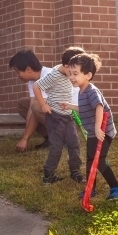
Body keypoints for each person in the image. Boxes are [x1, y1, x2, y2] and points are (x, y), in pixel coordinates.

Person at [60, 53, 118, 200]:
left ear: (88, 75)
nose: (71, 77)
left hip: (103, 131)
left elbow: (98, 107)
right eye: (70, 74)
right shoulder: (81, 91)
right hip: (93, 132)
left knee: (100, 161)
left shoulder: (91, 91)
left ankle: (117, 188)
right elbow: (85, 108)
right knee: (90, 161)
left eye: (75, 74)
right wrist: (70, 106)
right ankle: (91, 189)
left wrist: (98, 128)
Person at [34, 46, 86, 184]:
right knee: (56, 146)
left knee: (74, 143)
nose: (75, 74)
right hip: (55, 116)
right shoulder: (54, 75)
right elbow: (36, 86)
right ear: (66, 65)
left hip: (68, 114)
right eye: (74, 69)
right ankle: (48, 175)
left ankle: (75, 171)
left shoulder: (70, 74)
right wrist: (43, 105)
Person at [9, 50, 51, 152]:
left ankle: (62, 138)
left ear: (28, 69)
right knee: (23, 104)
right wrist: (25, 137)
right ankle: (50, 137)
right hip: (55, 109)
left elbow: (38, 107)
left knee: (38, 106)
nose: (17, 75)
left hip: (71, 114)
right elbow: (31, 109)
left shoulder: (48, 76)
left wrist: (25, 138)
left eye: (18, 71)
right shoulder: (32, 81)